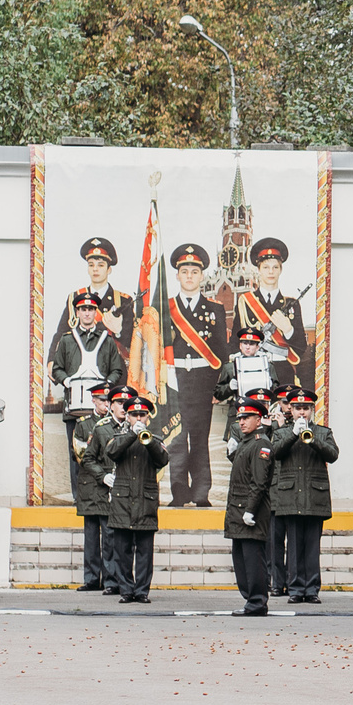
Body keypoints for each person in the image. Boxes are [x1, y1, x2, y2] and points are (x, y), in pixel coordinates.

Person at [160, 245, 228, 506]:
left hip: (202, 381)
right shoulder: (166, 308)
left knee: (200, 438)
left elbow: (222, 352)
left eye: (194, 271)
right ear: (177, 275)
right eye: (184, 271)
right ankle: (179, 492)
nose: (189, 276)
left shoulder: (215, 309)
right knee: (177, 438)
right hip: (175, 380)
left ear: (202, 276)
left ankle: (201, 493)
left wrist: (218, 388)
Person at [269, 386, 338, 604]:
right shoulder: (281, 432)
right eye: (298, 408)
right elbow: (275, 453)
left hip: (314, 496)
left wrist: (312, 439)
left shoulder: (323, 432)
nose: (302, 413)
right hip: (290, 496)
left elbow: (333, 454)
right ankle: (296, 588)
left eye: (306, 409)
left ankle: (312, 589)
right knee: (294, 545)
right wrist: (293, 434)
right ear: (290, 409)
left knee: (312, 546)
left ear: (311, 410)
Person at [103, 396, 169, 603]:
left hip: (145, 502)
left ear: (148, 417)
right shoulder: (119, 437)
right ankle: (126, 590)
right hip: (123, 502)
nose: (138, 418)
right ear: (128, 417)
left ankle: (141, 591)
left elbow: (163, 459)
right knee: (121, 550)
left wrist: (147, 440)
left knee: (144, 552)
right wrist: (132, 434)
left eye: (142, 414)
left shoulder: (155, 439)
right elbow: (111, 452)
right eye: (134, 414)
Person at [225, 397, 279, 615]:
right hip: (238, 510)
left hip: (250, 512)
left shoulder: (261, 444)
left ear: (259, 419)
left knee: (253, 559)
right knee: (241, 560)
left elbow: (259, 482)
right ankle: (251, 600)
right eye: (240, 418)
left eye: (247, 417)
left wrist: (250, 510)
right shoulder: (247, 443)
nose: (242, 422)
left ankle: (257, 601)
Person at [231, 237, 308, 385]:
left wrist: (288, 329)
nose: (271, 272)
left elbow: (301, 347)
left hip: (283, 372)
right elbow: (235, 341)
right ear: (258, 270)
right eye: (266, 267)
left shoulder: (291, 304)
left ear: (281, 270)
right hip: (253, 370)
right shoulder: (245, 302)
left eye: (275, 267)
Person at [71, 393, 125, 595]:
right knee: (91, 536)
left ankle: (111, 580)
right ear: (94, 400)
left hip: (109, 488)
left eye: (106, 400)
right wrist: (101, 474)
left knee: (110, 536)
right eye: (102, 400)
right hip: (90, 484)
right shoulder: (85, 424)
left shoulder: (120, 425)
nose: (104, 404)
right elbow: (80, 454)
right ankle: (92, 578)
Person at [54, 236, 137, 366]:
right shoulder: (75, 298)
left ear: (109, 269)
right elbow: (61, 334)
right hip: (80, 367)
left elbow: (133, 344)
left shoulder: (123, 301)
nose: (95, 269)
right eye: (91, 265)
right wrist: (52, 361)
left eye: (101, 265)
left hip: (113, 369)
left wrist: (119, 331)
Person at [48, 289, 128, 420]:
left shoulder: (107, 341)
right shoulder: (66, 340)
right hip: (73, 407)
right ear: (77, 312)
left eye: (90, 309)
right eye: (83, 309)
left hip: (101, 409)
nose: (87, 313)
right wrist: (67, 381)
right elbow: (57, 369)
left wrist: (107, 384)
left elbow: (117, 370)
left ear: (95, 312)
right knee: (73, 441)